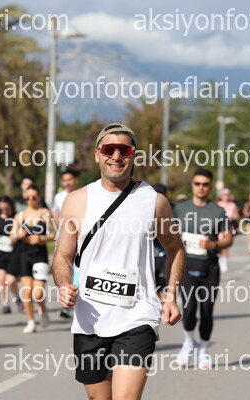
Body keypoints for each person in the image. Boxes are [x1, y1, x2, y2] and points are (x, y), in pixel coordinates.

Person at [53, 123, 185, 399]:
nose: (116, 156)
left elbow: (176, 249)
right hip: (90, 318)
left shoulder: (154, 202)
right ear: (97, 155)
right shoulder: (76, 201)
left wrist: (171, 295)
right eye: (109, 149)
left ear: (133, 155)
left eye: (123, 150)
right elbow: (63, 257)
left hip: (137, 316)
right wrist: (64, 285)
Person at [174, 168, 233, 370]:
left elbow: (228, 238)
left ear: (210, 186)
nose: (201, 187)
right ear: (192, 185)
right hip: (187, 266)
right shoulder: (180, 209)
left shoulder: (218, 211)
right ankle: (188, 342)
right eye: (197, 183)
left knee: (207, 311)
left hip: (209, 268)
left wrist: (213, 245)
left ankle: (204, 351)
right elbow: (169, 233)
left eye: (205, 184)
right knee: (189, 309)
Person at [11, 184, 56, 334]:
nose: (31, 200)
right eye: (27, 198)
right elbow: (12, 237)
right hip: (24, 256)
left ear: (39, 197)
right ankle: (31, 321)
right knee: (27, 292)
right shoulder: (20, 216)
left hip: (40, 255)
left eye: (34, 197)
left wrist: (41, 238)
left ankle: (43, 309)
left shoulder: (45, 213)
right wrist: (19, 235)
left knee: (38, 293)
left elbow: (54, 234)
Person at [51, 169, 80, 319]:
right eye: (64, 180)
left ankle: (78, 299)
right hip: (64, 236)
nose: (67, 183)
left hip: (80, 236)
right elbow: (55, 212)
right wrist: (61, 227)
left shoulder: (84, 194)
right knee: (64, 264)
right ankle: (68, 300)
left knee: (79, 267)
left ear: (75, 180)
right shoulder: (59, 197)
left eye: (70, 179)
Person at [0, 196, 23, 314]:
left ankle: (17, 298)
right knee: (0, 279)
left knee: (10, 281)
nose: (4, 211)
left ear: (11, 206)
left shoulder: (17, 217)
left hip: (14, 252)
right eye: (2, 209)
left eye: (6, 208)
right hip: (0, 252)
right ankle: (5, 304)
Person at [216, 188, 239, 272]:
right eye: (224, 195)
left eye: (227, 195)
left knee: (225, 246)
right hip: (219, 227)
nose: (225, 197)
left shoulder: (232, 205)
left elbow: (237, 216)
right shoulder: (218, 204)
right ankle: (219, 261)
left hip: (228, 227)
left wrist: (232, 216)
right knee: (218, 246)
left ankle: (224, 263)